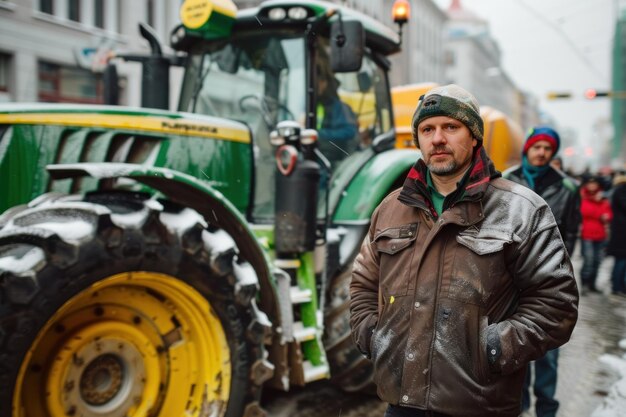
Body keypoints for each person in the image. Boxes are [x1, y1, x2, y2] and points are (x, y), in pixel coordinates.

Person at [349, 84, 579, 417]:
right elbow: (362, 285)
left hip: (478, 404)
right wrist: (374, 335)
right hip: (401, 403)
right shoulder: (390, 209)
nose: (437, 139)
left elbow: (556, 304)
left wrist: (492, 349)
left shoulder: (522, 210)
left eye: (450, 127)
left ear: (474, 137)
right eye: (427, 129)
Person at [503, 126, 581, 417]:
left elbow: (572, 231)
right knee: (514, 346)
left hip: (549, 280)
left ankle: (546, 409)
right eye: (537, 147)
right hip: (510, 280)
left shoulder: (567, 187)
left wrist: (558, 268)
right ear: (527, 148)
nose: (542, 153)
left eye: (548, 149)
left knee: (547, 351)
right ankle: (518, 406)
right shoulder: (509, 180)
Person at [315, 57, 358, 167]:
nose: (314, 86)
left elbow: (349, 132)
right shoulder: (315, 105)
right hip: (317, 156)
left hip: (333, 161)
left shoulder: (338, 107)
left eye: (317, 82)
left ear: (324, 83)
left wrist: (319, 134)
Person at [579, 176, 613, 293]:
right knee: (588, 260)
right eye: (590, 183)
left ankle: (592, 284)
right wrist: (599, 212)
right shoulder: (582, 197)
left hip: (600, 234)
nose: (592, 186)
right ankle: (584, 284)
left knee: (597, 261)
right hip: (587, 234)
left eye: (595, 184)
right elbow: (585, 211)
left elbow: (608, 214)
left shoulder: (604, 199)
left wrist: (606, 216)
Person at [607, 171, 626, 296]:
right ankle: (617, 286)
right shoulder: (621, 190)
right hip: (621, 231)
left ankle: (619, 285)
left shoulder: (619, 189)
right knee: (621, 259)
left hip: (621, 229)